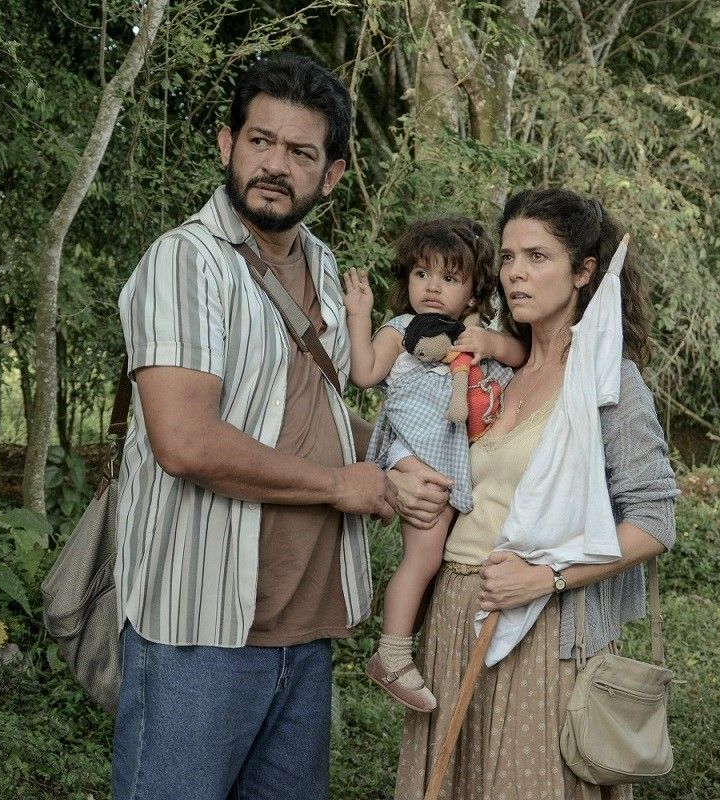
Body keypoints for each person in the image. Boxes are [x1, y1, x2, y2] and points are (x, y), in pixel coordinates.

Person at [112, 53, 450, 800]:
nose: (275, 165)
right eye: (260, 141)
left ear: (329, 177)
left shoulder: (323, 265)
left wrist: (397, 458)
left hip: (304, 630)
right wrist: (340, 485)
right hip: (197, 631)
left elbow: (316, 411)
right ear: (225, 144)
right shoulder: (185, 262)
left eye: (301, 152)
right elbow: (186, 442)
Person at [395, 188, 680, 799]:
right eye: (507, 257)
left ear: (584, 272)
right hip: (455, 617)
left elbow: (654, 520)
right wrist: (395, 477)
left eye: (538, 257)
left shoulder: (607, 382)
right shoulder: (495, 372)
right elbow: (426, 448)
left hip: (548, 633)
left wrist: (544, 577)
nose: (516, 272)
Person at [343, 218, 526, 713]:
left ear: (472, 293)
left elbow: (520, 353)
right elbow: (364, 373)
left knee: (442, 564)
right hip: (415, 461)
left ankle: (418, 638)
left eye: (448, 278)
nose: (431, 286)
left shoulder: (476, 334)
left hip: (454, 469)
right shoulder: (400, 332)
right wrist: (360, 317)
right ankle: (392, 655)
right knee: (421, 559)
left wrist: (486, 344)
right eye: (422, 273)